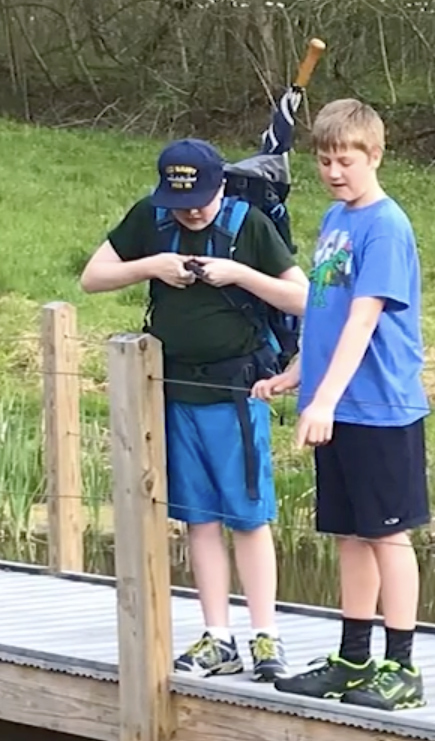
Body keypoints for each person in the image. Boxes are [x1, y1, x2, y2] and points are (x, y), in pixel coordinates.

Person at [78, 139, 307, 682]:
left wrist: (239, 275)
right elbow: (92, 278)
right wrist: (152, 265)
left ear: (221, 186)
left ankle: (266, 635)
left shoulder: (248, 224)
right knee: (198, 518)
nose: (192, 211)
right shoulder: (151, 220)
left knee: (248, 516)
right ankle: (218, 637)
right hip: (176, 389)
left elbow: (302, 297)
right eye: (181, 202)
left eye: (201, 200)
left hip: (238, 393)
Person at [267, 100, 430, 712]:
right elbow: (328, 315)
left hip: (378, 406)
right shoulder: (336, 219)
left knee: (389, 537)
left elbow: (364, 321)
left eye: (347, 160)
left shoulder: (387, 227)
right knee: (349, 536)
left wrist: (325, 401)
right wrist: (297, 375)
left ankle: (402, 667)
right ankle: (352, 658)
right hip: (334, 403)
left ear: (374, 156)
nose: (335, 171)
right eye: (325, 159)